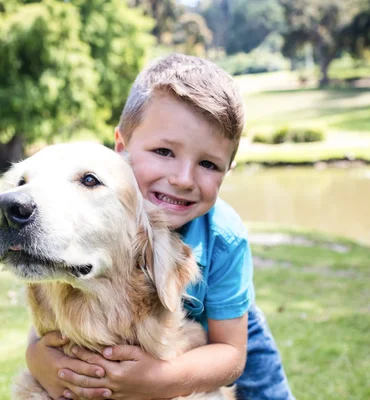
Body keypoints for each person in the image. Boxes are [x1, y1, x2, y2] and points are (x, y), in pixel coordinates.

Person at [25, 53, 294, 400]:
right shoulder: (95, 212)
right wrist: (37, 358)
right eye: (164, 152)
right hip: (138, 328)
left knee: (267, 393)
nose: (183, 179)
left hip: (222, 325)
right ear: (121, 149)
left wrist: (154, 380)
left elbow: (230, 355)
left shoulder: (225, 236)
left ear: (229, 170)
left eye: (209, 164)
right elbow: (51, 303)